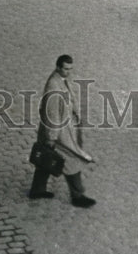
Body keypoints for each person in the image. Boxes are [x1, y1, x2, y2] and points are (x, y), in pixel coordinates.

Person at [30, 55, 96, 207]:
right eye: (66, 69)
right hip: (58, 133)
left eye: (70, 69)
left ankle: (37, 189)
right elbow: (52, 114)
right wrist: (51, 138)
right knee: (72, 161)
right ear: (58, 67)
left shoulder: (62, 80)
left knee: (46, 160)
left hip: (61, 130)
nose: (69, 72)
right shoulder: (53, 86)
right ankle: (77, 196)